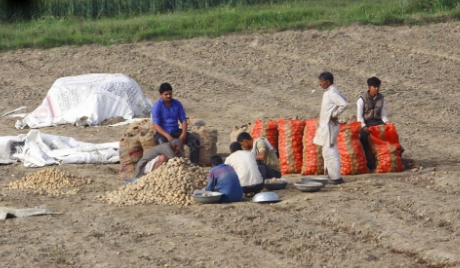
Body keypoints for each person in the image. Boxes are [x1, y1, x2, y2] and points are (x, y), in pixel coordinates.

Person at [357, 76, 401, 171]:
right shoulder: (362, 99)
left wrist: (388, 123)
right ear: (369, 87)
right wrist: (364, 126)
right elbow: (359, 117)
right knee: (363, 138)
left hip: (377, 121)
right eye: (375, 87)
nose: (377, 89)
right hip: (366, 122)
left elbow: (383, 114)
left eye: (378, 87)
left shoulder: (381, 98)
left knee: (392, 133)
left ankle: (396, 156)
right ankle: (368, 162)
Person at [313, 71, 348, 185]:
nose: (320, 84)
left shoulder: (332, 93)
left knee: (330, 151)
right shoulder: (330, 91)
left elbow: (344, 104)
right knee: (326, 151)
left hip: (329, 126)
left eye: (321, 82)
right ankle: (330, 175)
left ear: (328, 82)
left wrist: (334, 114)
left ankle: (336, 177)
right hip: (326, 126)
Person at [151, 82, 200, 164]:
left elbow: (183, 120)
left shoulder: (177, 104)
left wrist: (184, 133)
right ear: (161, 95)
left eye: (170, 93)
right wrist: (168, 136)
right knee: (165, 148)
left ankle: (194, 164)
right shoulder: (156, 107)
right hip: (162, 133)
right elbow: (156, 125)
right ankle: (168, 167)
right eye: (166, 94)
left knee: (195, 141)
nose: (168, 96)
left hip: (175, 130)